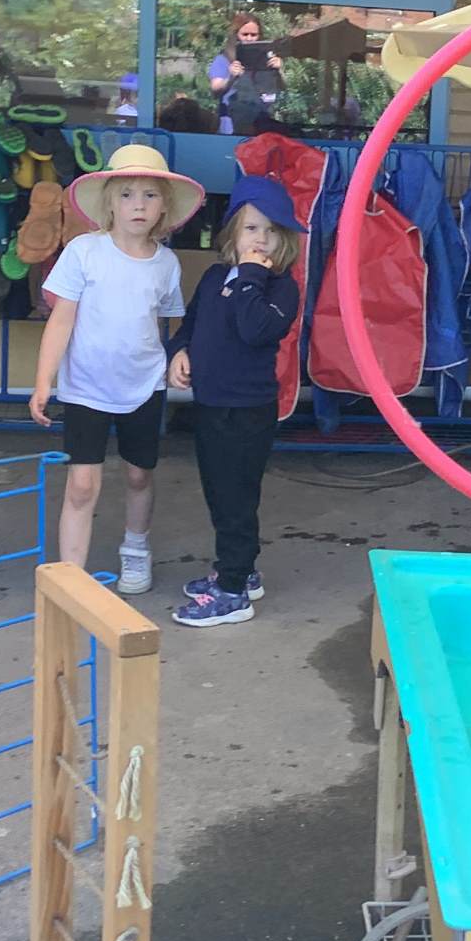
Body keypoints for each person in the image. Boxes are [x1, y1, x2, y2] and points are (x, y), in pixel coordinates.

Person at [28, 144, 205, 592]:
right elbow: (61, 320)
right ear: (109, 203)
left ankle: (136, 549)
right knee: (81, 484)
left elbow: (169, 324)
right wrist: (44, 381)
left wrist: (178, 358)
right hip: (85, 387)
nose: (138, 205)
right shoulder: (83, 251)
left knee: (139, 473)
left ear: (164, 207)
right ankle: (70, 579)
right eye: (127, 195)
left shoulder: (166, 264)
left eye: (150, 195)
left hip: (144, 386)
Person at [165, 176, 303, 628]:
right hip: (210, 402)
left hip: (247, 409)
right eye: (251, 228)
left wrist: (251, 276)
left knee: (236, 498)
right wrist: (179, 351)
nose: (260, 239)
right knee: (217, 491)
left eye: (271, 231)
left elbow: (255, 329)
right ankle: (240, 570)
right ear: (232, 233)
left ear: (284, 240)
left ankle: (232, 592)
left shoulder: (280, 288)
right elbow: (191, 325)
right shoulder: (212, 277)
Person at [208, 13, 284, 134]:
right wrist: (231, 76)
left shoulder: (266, 61)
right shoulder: (224, 59)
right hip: (231, 126)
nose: (249, 39)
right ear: (236, 35)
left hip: (260, 125)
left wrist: (278, 70)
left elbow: (281, 89)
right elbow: (215, 88)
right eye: (245, 34)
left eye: (253, 35)